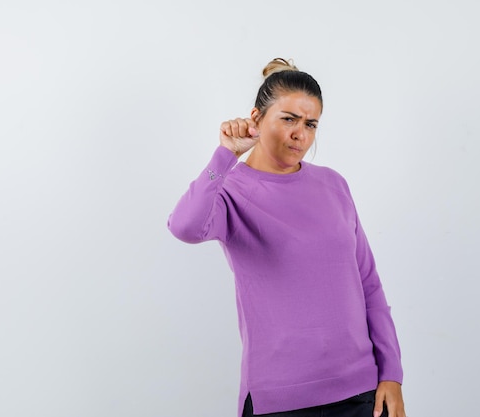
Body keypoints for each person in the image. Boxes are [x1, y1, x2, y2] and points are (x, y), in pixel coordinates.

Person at [167, 58, 406, 417]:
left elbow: (368, 283)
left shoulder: (333, 184)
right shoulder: (231, 190)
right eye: (288, 119)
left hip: (360, 392)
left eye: (311, 124)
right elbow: (185, 227)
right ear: (257, 118)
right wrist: (226, 155)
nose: (301, 134)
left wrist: (391, 374)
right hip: (279, 400)